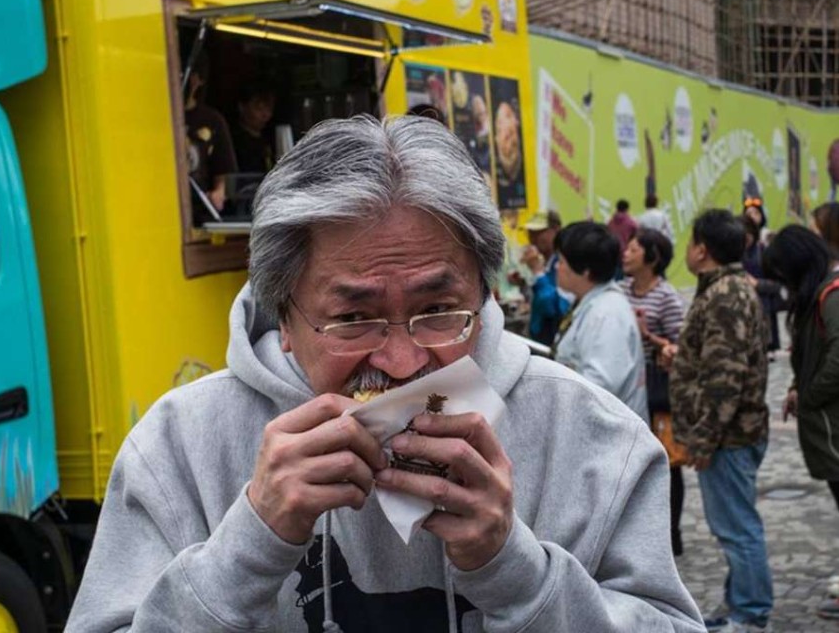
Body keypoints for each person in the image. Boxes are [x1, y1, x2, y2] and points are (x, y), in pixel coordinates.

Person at [66, 116, 703, 632]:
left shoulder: (597, 440)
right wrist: (248, 548)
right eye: (353, 317)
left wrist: (517, 573)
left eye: (438, 310)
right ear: (283, 317)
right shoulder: (177, 447)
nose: (402, 362)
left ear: (483, 298)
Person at [662, 209, 772, 632]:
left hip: (729, 438)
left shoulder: (725, 293)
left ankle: (751, 613)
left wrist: (704, 441)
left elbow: (725, 379)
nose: (687, 250)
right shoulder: (724, 289)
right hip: (731, 433)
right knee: (734, 527)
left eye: (691, 243)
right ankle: (739, 604)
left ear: (701, 250)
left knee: (738, 530)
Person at [762, 226, 839, 620]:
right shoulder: (819, 296)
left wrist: (809, 395)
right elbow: (815, 355)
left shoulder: (831, 295)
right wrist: (797, 385)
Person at [619, 229, 686, 555]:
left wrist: (649, 336)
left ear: (652, 257)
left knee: (667, 462)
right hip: (629, 387)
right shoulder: (620, 291)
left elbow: (682, 346)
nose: (626, 253)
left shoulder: (667, 297)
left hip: (658, 391)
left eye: (633, 249)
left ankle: (671, 534)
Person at [552, 222, 647, 423]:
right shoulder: (590, 302)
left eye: (561, 261)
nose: (556, 268)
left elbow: (600, 386)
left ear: (585, 271)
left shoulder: (607, 314)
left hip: (613, 439)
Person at [184, 52, 237, 224]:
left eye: (189, 75)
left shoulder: (212, 120)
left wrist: (219, 193)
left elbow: (223, 173)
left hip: (200, 217)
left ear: (200, 80)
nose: (181, 80)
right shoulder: (156, 119)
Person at [520, 209, 570, 347]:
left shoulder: (563, 264)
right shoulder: (546, 263)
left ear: (556, 230)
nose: (533, 238)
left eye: (539, 232)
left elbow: (552, 307)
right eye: (530, 233)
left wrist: (538, 272)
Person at [740, 215, 782, 355]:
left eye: (748, 236)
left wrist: (757, 284)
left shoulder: (764, 253)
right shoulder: (732, 256)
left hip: (765, 313)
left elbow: (778, 285)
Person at [231, 81, 277, 174]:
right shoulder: (234, 141)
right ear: (242, 107)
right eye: (259, 108)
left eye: (269, 109)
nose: (265, 115)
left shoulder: (270, 138)